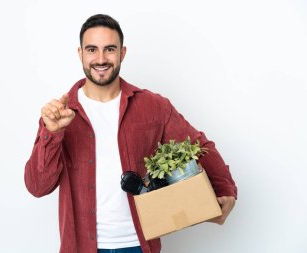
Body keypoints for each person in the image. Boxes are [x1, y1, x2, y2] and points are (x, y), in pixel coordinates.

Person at [24, 14, 237, 253]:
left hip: (139, 245)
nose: (101, 59)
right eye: (92, 49)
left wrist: (224, 188)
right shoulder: (59, 114)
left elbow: (197, 144)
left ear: (122, 53)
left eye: (110, 49)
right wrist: (51, 134)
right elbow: (37, 186)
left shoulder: (153, 106)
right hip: (81, 246)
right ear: (80, 53)